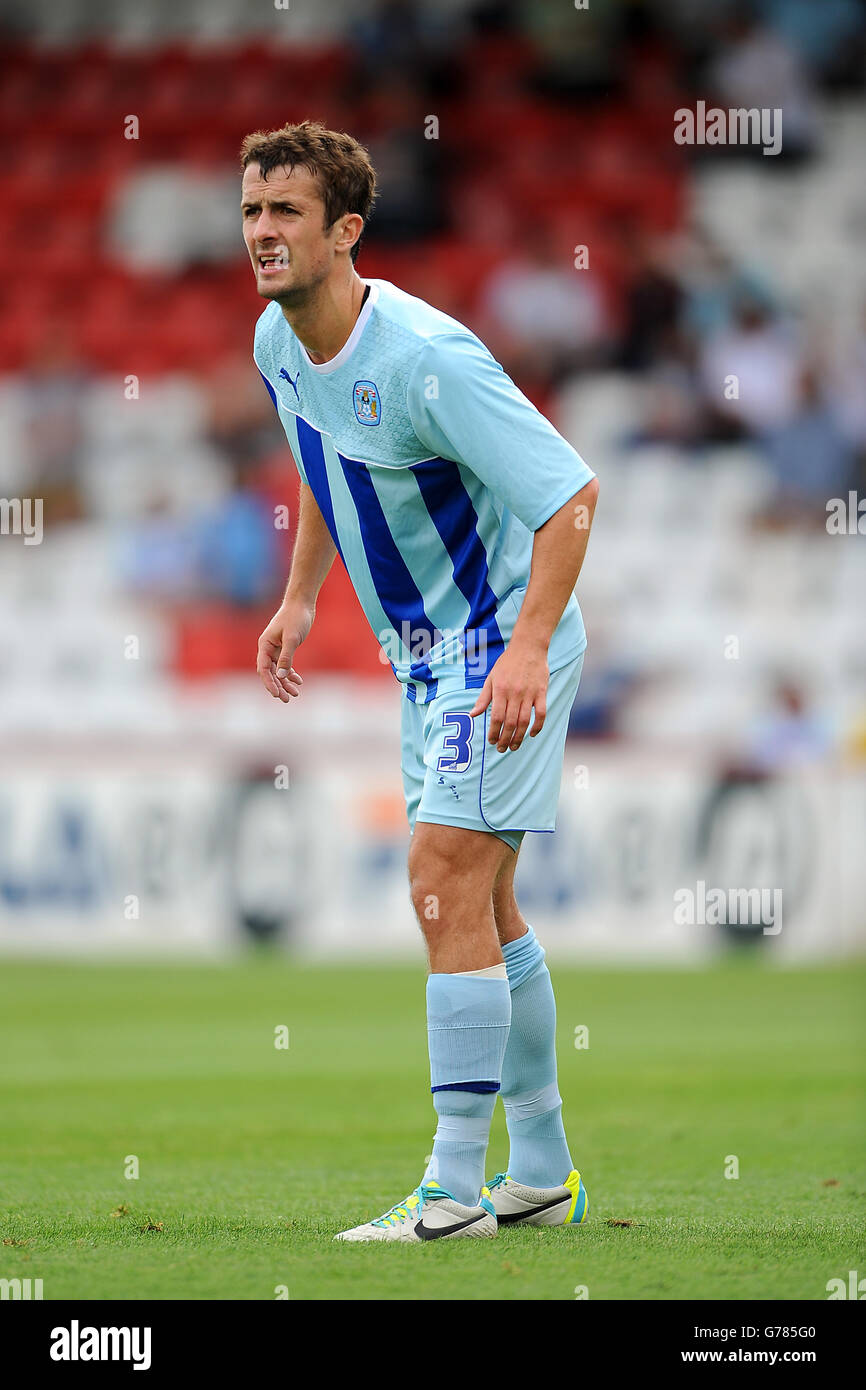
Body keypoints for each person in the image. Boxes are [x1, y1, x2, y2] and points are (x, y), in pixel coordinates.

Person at [244, 121, 598, 1242]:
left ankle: (451, 1192)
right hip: (422, 661)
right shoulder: (277, 340)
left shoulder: (426, 359)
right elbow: (321, 463)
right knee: (483, 906)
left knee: (439, 879)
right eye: (252, 210)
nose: (261, 233)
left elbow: (568, 496)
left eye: (285, 213)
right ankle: (538, 1171)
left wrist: (529, 648)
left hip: (496, 650)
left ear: (345, 230)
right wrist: (301, 595)